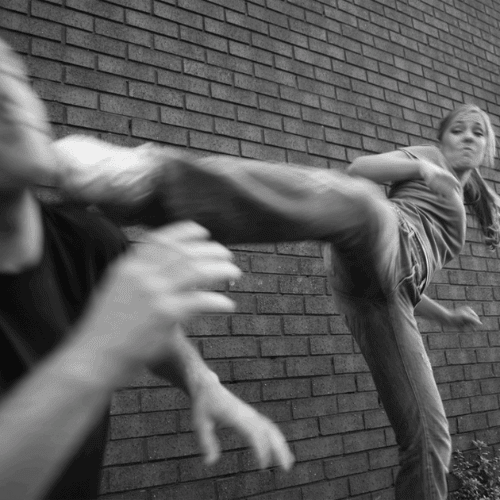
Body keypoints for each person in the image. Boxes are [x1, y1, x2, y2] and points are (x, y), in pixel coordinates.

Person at [54, 103, 497, 500]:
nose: (466, 138)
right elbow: (360, 168)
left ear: (488, 147)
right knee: (362, 203)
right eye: (458, 130)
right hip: (383, 235)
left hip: (389, 294)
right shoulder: (430, 159)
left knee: (431, 435)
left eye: (477, 132)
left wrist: (445, 315)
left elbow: (408, 281)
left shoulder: (460, 201)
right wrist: (424, 171)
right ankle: (146, 180)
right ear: (441, 139)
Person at [0, 37, 294, 500]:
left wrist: (201, 380)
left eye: (16, 76)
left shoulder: (85, 239)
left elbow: (148, 329)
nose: (9, 93)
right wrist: (99, 350)